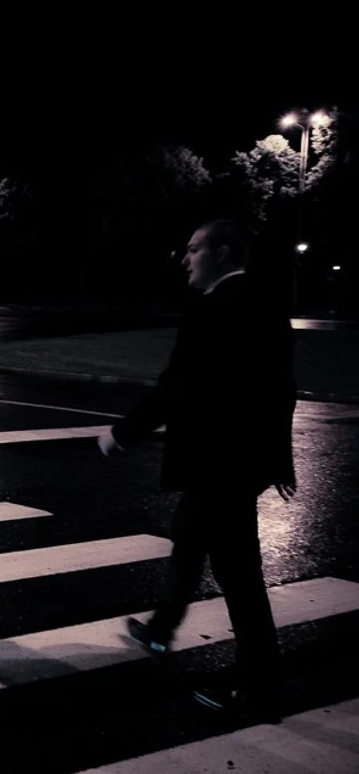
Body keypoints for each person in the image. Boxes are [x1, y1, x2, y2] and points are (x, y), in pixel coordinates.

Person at [98, 219, 296, 723]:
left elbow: (178, 386)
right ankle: (161, 629)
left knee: (240, 577)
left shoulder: (214, 308)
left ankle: (260, 690)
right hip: (241, 464)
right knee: (188, 540)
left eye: (193, 249)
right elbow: (282, 392)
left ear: (222, 253)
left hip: (216, 466)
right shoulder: (266, 305)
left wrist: (123, 433)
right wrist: (276, 461)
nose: (185, 259)